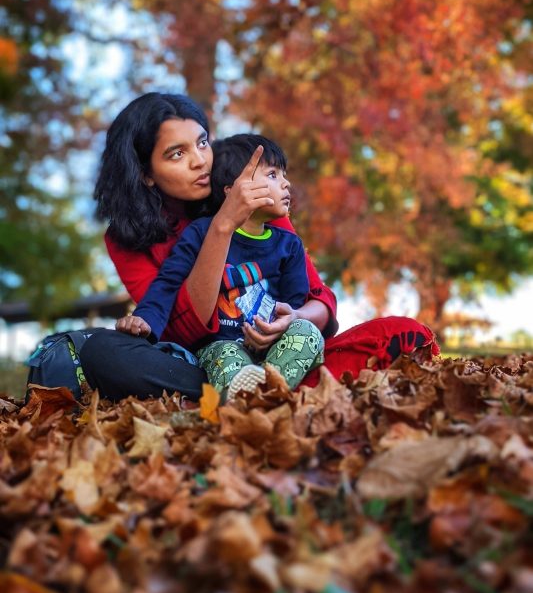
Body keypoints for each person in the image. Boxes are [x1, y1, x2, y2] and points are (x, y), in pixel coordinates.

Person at [80, 92, 439, 402]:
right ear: (145, 172)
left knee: (407, 333)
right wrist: (223, 225)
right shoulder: (127, 238)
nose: (200, 161)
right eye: (176, 154)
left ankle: (258, 393)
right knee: (102, 352)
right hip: (205, 361)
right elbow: (180, 334)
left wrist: (293, 319)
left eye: (202, 142)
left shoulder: (255, 198)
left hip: (282, 351)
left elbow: (320, 300)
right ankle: (251, 392)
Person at [115, 134, 325, 399]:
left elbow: (292, 302)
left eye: (283, 175)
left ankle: (267, 392)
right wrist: (142, 321)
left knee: (307, 332)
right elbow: (167, 284)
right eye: (272, 175)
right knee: (224, 355)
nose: (286, 183)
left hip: (272, 347)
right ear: (232, 191)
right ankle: (245, 398)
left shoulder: (288, 245)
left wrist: (282, 325)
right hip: (221, 346)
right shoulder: (201, 234)